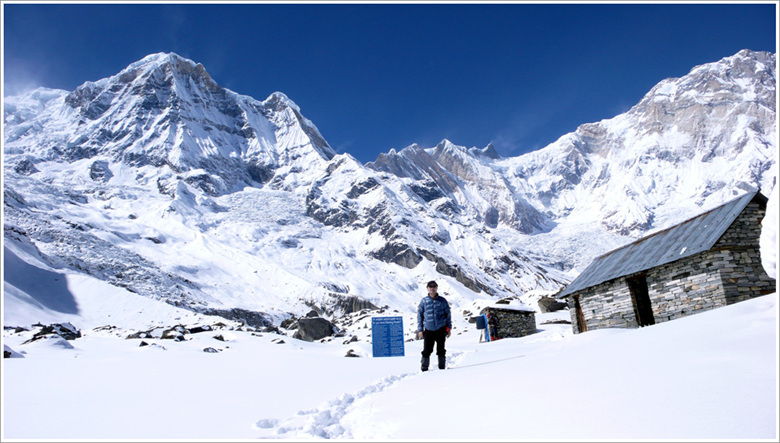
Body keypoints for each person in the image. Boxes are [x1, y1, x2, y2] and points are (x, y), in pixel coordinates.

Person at [416, 280, 452, 371]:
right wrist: (420, 330)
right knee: (426, 351)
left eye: (434, 286)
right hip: (428, 330)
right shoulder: (424, 301)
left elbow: (448, 314)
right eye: (430, 287)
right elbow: (420, 315)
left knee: (441, 350)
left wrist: (449, 328)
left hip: (441, 329)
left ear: (436, 288)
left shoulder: (442, 301)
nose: (432, 288)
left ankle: (442, 368)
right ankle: (424, 369)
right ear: (427, 289)